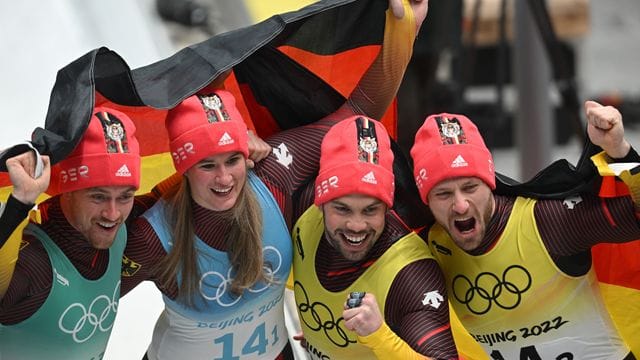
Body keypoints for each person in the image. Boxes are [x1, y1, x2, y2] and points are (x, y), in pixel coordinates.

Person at [119, 1, 430, 359]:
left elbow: (357, 114)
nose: (224, 179)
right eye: (207, 165)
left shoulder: (274, 174)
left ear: (246, 153)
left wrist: (404, 32)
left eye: (233, 159)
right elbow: (84, 305)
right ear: (183, 166)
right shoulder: (154, 235)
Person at [409, 101, 639, 359]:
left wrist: (620, 151)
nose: (460, 205)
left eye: (471, 187)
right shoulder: (426, 250)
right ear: (426, 201)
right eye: (443, 194)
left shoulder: (547, 222)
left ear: (490, 183)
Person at [291, 115, 458, 359]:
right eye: (342, 209)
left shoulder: (410, 274)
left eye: (371, 210)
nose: (356, 226)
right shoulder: (302, 210)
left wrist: (379, 335)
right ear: (320, 202)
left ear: (387, 208)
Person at [0, 108, 142, 359]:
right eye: (98, 196)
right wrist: (19, 203)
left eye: (125, 197)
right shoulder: (35, 266)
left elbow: (203, 188)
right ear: (67, 190)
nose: (113, 214)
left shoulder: (121, 232)